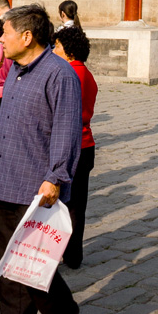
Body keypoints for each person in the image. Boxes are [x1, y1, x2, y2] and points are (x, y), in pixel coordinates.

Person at [0, 5, 82, 314]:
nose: (1, 39)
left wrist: (56, 177)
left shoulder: (60, 74)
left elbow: (66, 130)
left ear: (26, 37)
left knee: (30, 265)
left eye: (6, 33)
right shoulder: (14, 68)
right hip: (4, 179)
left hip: (36, 187)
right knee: (11, 268)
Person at [53, 27, 98, 271]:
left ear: (69, 51)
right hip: (86, 143)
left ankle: (59, 250)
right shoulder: (86, 74)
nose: (54, 50)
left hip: (71, 145)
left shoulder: (69, 74)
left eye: (58, 46)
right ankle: (73, 254)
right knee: (77, 205)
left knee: (62, 204)